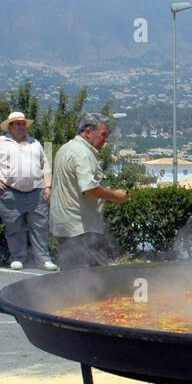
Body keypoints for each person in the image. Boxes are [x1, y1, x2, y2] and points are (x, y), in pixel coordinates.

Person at [0, 111, 56, 271]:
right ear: (10, 126)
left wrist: (47, 186)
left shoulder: (35, 143)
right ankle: (17, 258)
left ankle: (43, 260)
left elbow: (45, 167)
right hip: (10, 192)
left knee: (40, 227)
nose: (21, 126)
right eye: (18, 123)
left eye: (23, 123)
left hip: (36, 191)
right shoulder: (0, 142)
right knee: (14, 227)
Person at [49, 113, 127, 269]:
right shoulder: (83, 154)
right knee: (93, 277)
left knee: (70, 276)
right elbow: (89, 188)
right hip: (82, 227)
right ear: (88, 132)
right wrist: (115, 196)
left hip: (64, 225)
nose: (106, 140)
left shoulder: (65, 149)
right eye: (103, 135)